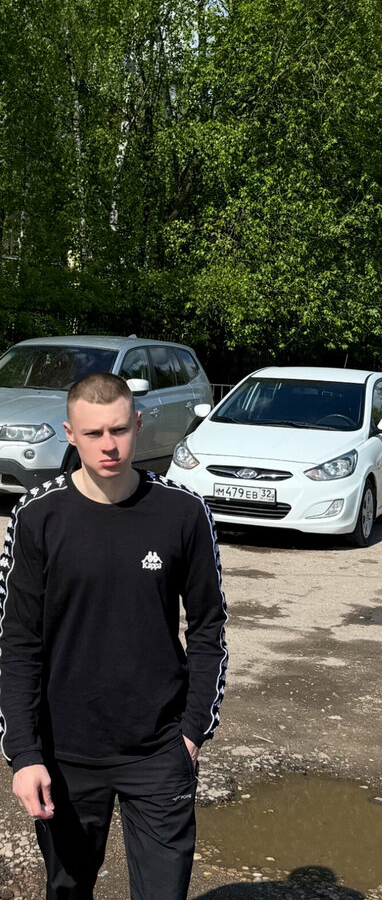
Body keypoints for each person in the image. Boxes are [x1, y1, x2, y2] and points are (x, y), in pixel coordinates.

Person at [0, 372, 228, 900]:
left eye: (119, 430)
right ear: (69, 433)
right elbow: (16, 642)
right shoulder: (37, 516)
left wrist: (193, 729)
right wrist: (25, 754)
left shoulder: (183, 511)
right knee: (68, 888)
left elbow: (208, 627)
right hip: (66, 752)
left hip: (160, 747)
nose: (109, 445)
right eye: (93, 433)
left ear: (138, 424)